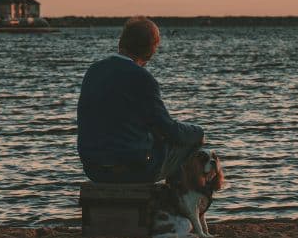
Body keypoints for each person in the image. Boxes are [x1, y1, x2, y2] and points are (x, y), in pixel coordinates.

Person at [77, 16, 204, 183]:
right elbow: (170, 131)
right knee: (190, 142)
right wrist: (198, 132)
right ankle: (178, 205)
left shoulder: (94, 71)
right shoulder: (142, 78)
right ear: (151, 49)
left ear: (121, 42)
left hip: (94, 170)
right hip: (133, 171)